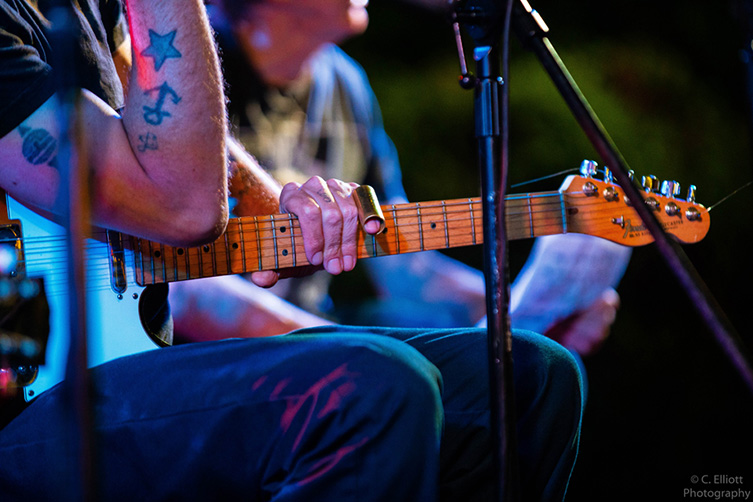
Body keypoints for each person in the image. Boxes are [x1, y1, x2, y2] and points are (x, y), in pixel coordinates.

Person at [0, 0, 583, 501]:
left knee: (529, 375)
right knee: (371, 385)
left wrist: (282, 209)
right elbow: (185, 208)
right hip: (29, 409)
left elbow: (157, 131)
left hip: (122, 367)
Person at [169, 0, 626, 358]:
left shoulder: (346, 83)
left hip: (312, 335)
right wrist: (350, 353)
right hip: (200, 363)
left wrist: (531, 308)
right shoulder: (185, 71)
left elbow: (401, 266)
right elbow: (178, 289)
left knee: (545, 364)